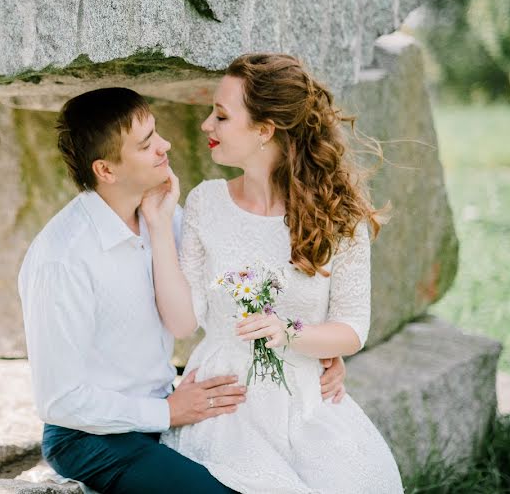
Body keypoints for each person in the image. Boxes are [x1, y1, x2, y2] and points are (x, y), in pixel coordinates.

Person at [18, 87, 348, 494]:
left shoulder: (166, 218)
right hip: (91, 437)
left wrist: (313, 345)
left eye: (156, 133)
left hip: (167, 409)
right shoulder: (63, 258)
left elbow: (241, 291)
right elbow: (60, 400)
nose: (165, 146)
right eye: (147, 144)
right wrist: (166, 413)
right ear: (106, 170)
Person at [141, 53, 403, 493]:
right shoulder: (207, 203)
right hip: (226, 401)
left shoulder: (340, 218)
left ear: (265, 130)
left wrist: (290, 333)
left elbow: (352, 329)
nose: (207, 125)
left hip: (306, 399)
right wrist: (159, 227)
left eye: (221, 116)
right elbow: (185, 322)